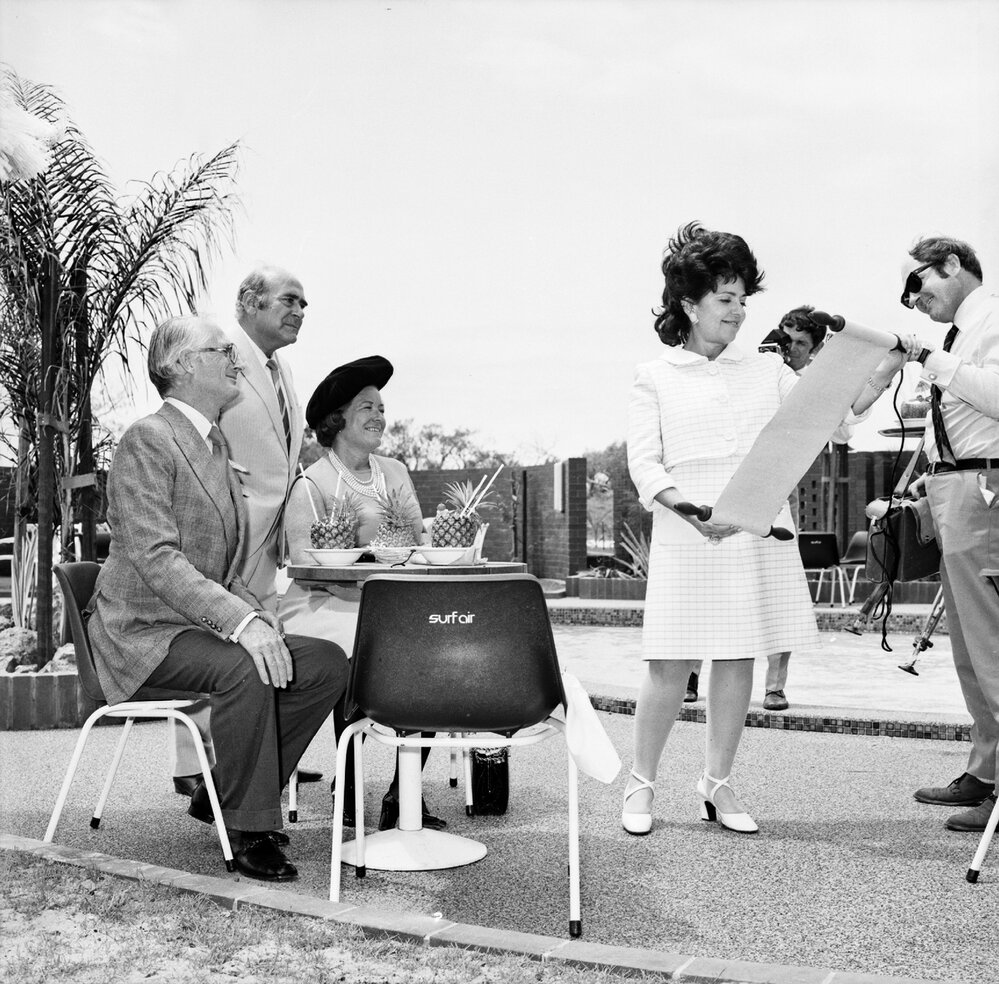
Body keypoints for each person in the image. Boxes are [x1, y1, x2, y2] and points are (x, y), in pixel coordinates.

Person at [621, 222, 880, 837]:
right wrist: (688, 510)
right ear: (690, 303)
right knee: (669, 662)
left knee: (738, 655)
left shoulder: (768, 370)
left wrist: (878, 363)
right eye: (725, 299)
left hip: (757, 522)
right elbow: (644, 464)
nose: (738, 311)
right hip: (686, 525)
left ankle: (717, 782)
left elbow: (835, 422)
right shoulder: (654, 375)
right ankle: (641, 782)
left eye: (743, 299)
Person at [86, 315, 348, 881]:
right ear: (182, 366)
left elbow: (223, 568)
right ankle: (248, 826)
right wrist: (242, 624)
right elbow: (157, 558)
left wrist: (255, 616)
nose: (235, 360)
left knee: (325, 663)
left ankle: (223, 790)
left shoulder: (213, 442)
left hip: (196, 625)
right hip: (143, 631)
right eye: (221, 351)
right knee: (245, 666)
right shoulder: (147, 440)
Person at [171, 266, 324, 795]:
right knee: (213, 633)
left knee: (261, 641)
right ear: (250, 302)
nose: (299, 311)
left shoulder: (281, 369)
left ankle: (259, 754)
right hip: (224, 526)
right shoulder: (217, 355)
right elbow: (186, 425)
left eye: (304, 304)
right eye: (289, 300)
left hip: (267, 535)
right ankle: (193, 764)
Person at [280, 355, 444, 831]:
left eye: (382, 408)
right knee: (360, 644)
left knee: (439, 652)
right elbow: (304, 565)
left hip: (392, 602)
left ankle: (402, 791)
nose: (379, 416)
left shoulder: (395, 471)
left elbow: (417, 539)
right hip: (326, 604)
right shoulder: (310, 484)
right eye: (366, 407)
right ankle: (348, 779)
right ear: (337, 419)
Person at [892, 235, 999, 832]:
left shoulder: (993, 318)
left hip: (984, 491)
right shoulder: (965, 331)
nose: (915, 299)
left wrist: (932, 360)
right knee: (970, 648)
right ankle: (986, 771)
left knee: (991, 644)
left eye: (918, 283)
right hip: (956, 486)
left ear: (953, 264)